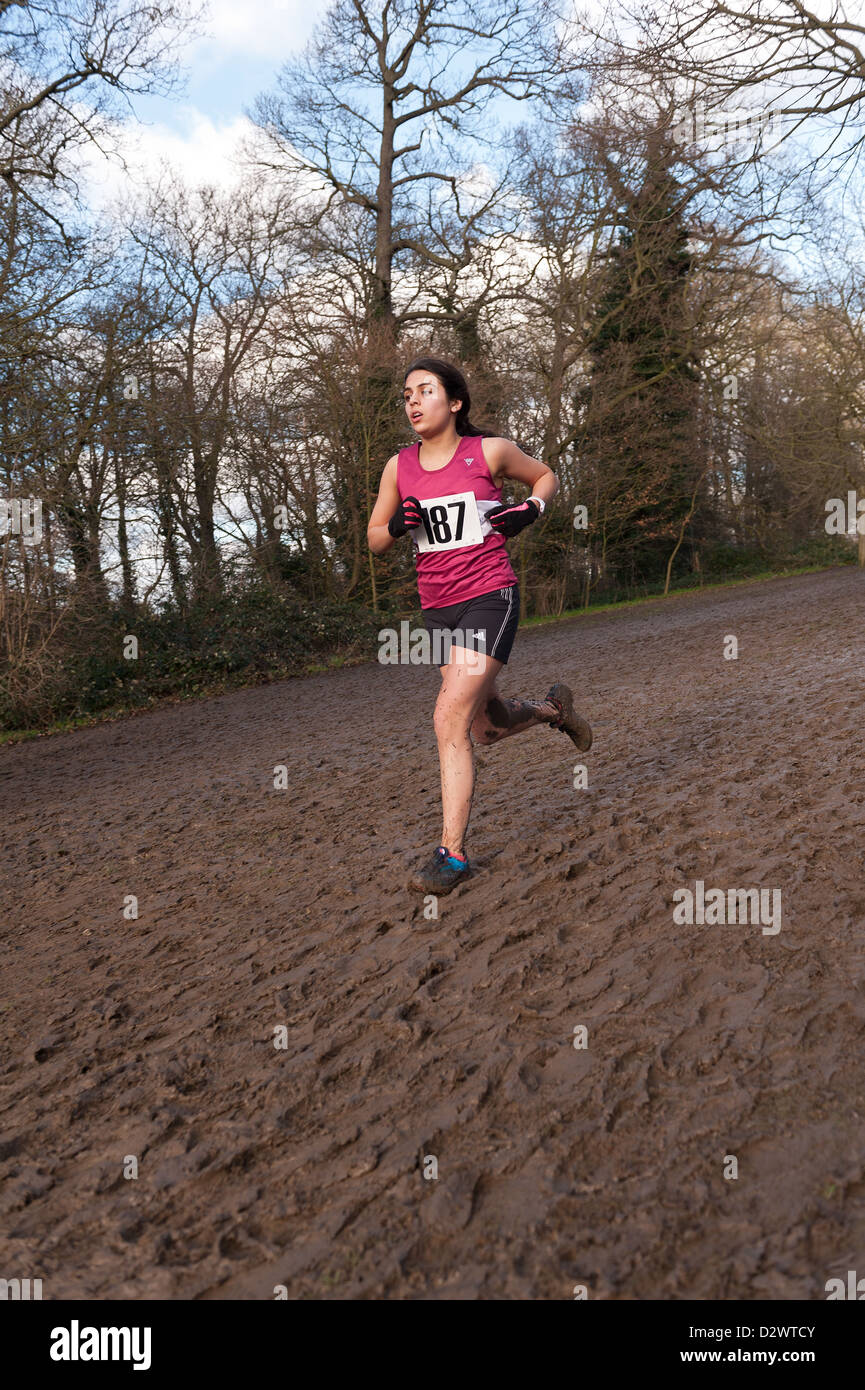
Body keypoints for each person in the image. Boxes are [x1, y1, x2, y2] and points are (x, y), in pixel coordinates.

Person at [367, 356, 592, 895]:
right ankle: (552, 710)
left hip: (490, 596)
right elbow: (373, 539)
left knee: (447, 717)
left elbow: (545, 475)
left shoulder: (487, 451)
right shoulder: (399, 467)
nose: (414, 402)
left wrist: (531, 508)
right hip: (437, 609)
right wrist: (398, 524)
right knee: (481, 729)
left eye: (425, 391)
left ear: (456, 402)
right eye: (407, 395)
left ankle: (452, 857)